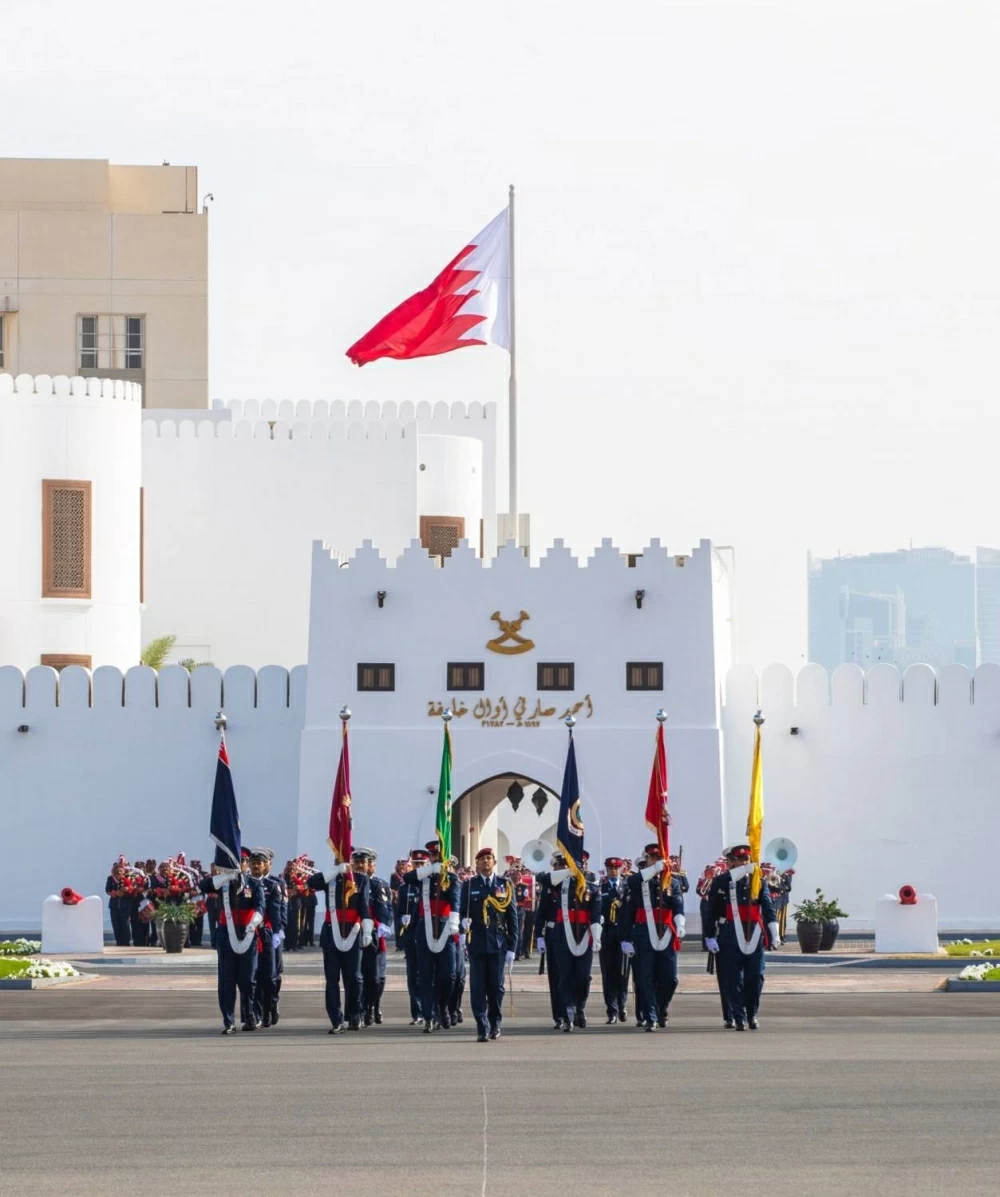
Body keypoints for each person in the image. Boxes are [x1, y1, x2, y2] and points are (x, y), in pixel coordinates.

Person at [704, 844, 780, 1031]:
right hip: (729, 934)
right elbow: (710, 911)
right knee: (732, 978)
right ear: (732, 862)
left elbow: (768, 908)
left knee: (756, 977)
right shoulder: (722, 881)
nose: (741, 863)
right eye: (738, 860)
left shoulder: (758, 882)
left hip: (754, 933)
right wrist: (709, 936)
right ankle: (738, 1015)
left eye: (745, 860)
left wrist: (775, 932)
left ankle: (752, 1012)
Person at [620, 843, 685, 1031]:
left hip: (666, 933)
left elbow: (678, 905)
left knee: (670, 979)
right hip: (642, 933)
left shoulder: (672, 881)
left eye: (658, 857)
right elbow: (627, 910)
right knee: (644, 977)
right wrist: (625, 938)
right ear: (646, 859)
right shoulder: (639, 881)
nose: (655, 860)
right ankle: (650, 1016)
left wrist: (680, 924)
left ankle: (661, 1008)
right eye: (651, 857)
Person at [537, 850, 601, 1032]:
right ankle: (567, 1014)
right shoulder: (556, 885)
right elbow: (543, 879)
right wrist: (539, 936)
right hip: (559, 937)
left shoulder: (592, 888)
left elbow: (595, 915)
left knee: (583, 977)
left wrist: (597, 936)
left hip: (583, 937)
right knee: (563, 976)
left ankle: (579, 1007)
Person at [307, 854, 372, 1033]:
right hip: (331, 933)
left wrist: (367, 929)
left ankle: (354, 1014)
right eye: (337, 858)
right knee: (332, 979)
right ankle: (336, 1018)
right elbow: (312, 883)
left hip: (353, 931)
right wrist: (335, 871)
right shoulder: (330, 877)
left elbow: (364, 905)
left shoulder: (361, 879)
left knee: (354, 978)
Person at [401, 839, 461, 1032]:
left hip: (445, 928)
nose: (436, 858)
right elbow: (407, 878)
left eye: (438, 855)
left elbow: (455, 900)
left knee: (449, 975)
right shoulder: (423, 877)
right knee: (425, 975)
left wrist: (454, 920)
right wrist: (429, 870)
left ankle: (442, 1005)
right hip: (424, 928)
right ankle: (429, 1016)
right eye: (433, 856)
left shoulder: (451, 878)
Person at [460, 848, 518, 1042]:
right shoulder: (469, 886)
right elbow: (461, 911)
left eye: (488, 858)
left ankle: (495, 1024)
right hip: (476, 942)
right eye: (482, 859)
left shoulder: (504, 884)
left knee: (496, 988)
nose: (485, 862)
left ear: (494, 862)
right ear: (476, 864)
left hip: (498, 942)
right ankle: (481, 1026)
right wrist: (462, 924)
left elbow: (512, 918)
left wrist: (512, 948)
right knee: (478, 987)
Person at [199, 864, 265, 1034]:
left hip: (247, 934)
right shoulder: (224, 883)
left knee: (248, 980)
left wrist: (255, 921)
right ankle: (228, 1021)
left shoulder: (254, 884)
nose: (239, 864)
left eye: (242, 860)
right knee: (226, 981)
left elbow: (260, 906)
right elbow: (204, 886)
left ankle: (249, 1015)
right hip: (226, 935)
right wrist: (224, 877)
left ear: (246, 863)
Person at [352, 848, 393, 1026]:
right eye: (358, 862)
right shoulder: (350, 883)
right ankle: (360, 1010)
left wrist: (383, 924)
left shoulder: (378, 884)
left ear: (371, 865)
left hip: (374, 935)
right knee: (357, 975)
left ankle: (373, 1005)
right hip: (354, 933)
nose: (361, 865)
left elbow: (385, 908)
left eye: (364, 862)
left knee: (376, 977)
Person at [249, 849, 286, 1028]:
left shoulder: (275, 884)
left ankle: (271, 1006)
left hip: (270, 934)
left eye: (260, 862)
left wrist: (280, 931)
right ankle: (256, 1013)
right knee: (254, 974)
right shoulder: (246, 884)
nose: (256, 865)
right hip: (253, 933)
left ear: (267, 864)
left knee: (271, 976)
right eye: (253, 862)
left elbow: (280, 910)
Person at [598, 856, 629, 1024]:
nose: (614, 871)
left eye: (616, 868)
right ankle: (611, 1011)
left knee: (623, 974)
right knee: (608, 974)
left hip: (623, 936)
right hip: (607, 936)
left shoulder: (627, 886)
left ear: (621, 869)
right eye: (610, 868)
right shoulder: (600, 887)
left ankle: (622, 1004)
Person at [396, 851, 423, 1024]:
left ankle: (431, 1009)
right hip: (411, 936)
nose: (419, 868)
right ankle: (417, 1012)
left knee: (429, 975)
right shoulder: (405, 888)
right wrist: (402, 919)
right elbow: (398, 911)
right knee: (413, 975)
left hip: (430, 935)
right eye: (416, 865)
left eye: (422, 865)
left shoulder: (431, 885)